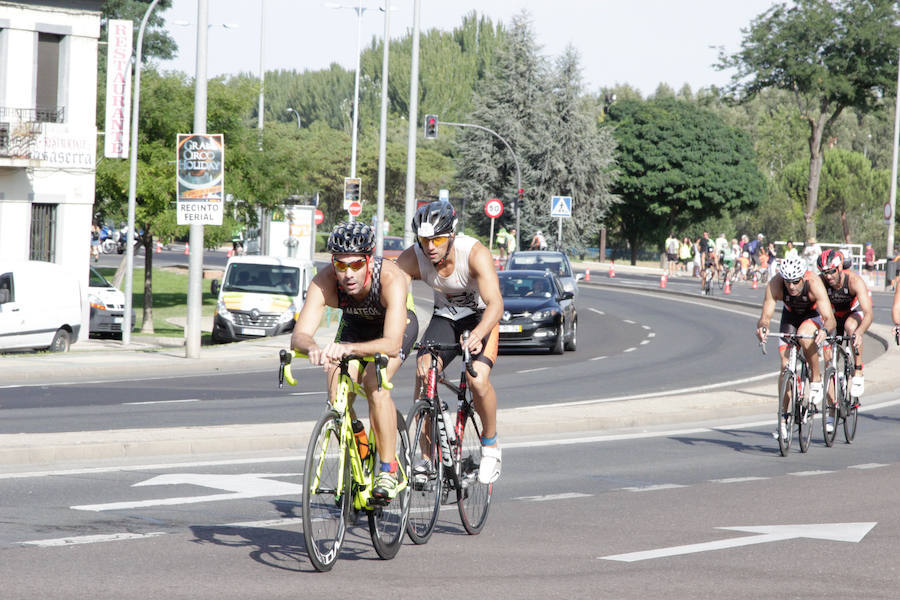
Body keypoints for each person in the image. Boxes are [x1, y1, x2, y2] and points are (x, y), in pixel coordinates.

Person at [291, 222, 418, 503]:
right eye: (340, 265)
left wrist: (348, 349)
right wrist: (312, 347)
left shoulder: (390, 277)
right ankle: (359, 444)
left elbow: (392, 344)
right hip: (355, 326)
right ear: (332, 263)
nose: (348, 273)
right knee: (337, 394)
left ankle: (388, 469)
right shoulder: (324, 280)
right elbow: (299, 335)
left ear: (369, 260)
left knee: (375, 384)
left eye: (356, 264)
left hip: (394, 328)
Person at [396, 200, 504, 484]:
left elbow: (496, 304)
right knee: (423, 370)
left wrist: (479, 334)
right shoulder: (413, 258)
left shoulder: (475, 253)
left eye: (438, 239)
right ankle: (426, 458)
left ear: (452, 235)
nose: (430, 246)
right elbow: (393, 290)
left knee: (478, 379)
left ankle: (491, 445)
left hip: (481, 318)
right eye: (424, 240)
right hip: (446, 317)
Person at [755, 255, 836, 440]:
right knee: (785, 367)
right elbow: (766, 315)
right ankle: (783, 418)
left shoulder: (814, 282)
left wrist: (824, 330)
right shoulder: (775, 283)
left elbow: (830, 318)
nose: (791, 286)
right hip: (790, 317)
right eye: (787, 282)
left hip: (813, 316)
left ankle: (815, 377)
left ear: (803, 277)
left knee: (804, 336)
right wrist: (763, 327)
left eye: (795, 282)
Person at [816, 249, 872, 432]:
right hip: (833, 316)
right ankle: (832, 411)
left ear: (840, 267)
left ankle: (857, 369)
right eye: (825, 272)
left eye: (832, 271)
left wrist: (860, 332)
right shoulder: (821, 282)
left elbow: (869, 313)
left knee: (850, 328)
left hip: (854, 314)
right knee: (828, 358)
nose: (829, 276)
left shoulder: (854, 281)